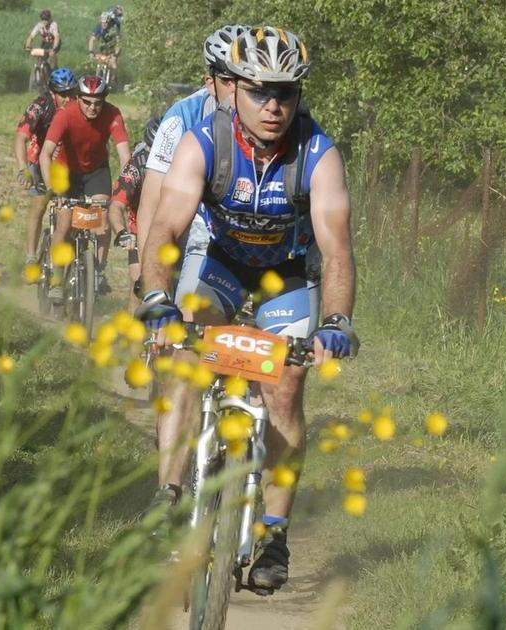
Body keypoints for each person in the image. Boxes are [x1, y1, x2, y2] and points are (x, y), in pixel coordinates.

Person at [136, 26, 358, 593]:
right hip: (219, 263)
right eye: (260, 91)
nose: (274, 106)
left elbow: (336, 250)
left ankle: (274, 536)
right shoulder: (204, 141)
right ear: (234, 90)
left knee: (286, 385)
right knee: (188, 353)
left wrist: (336, 322)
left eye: (287, 93)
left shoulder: (318, 153)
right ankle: (169, 493)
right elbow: (165, 227)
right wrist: (156, 296)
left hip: (285, 273)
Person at [137, 25, 245, 321]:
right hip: (187, 221)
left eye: (246, 78)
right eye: (228, 79)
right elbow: (151, 202)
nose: (238, 89)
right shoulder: (181, 118)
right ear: (210, 82)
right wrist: (147, 276)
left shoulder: (271, 114)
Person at [39, 74, 130, 298]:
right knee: (65, 221)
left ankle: (98, 269)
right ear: (77, 98)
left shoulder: (113, 114)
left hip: (96, 171)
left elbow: (125, 156)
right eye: (87, 102)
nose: (93, 107)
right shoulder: (65, 114)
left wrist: (125, 188)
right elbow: (45, 154)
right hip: (66, 172)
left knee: (103, 218)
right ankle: (57, 279)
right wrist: (53, 189)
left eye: (98, 102)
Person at [16, 67, 76, 266]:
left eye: (71, 93)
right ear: (52, 93)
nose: (68, 99)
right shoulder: (40, 105)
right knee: (40, 205)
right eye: (62, 94)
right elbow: (21, 138)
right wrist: (23, 169)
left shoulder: (77, 105)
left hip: (67, 162)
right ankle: (31, 256)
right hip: (40, 159)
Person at [108, 117, 160, 307]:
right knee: (139, 287)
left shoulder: (180, 162)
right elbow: (116, 206)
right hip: (139, 232)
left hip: (171, 230)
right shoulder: (136, 166)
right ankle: (134, 335)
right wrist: (122, 233)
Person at [87, 11, 120, 85]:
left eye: (105, 23)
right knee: (96, 61)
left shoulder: (114, 29)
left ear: (109, 22)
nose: (103, 24)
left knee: (113, 65)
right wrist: (91, 52)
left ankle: (114, 79)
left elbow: (118, 43)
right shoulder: (99, 27)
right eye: (102, 23)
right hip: (103, 47)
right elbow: (92, 39)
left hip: (113, 48)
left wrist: (115, 54)